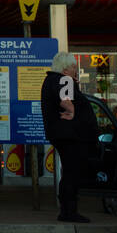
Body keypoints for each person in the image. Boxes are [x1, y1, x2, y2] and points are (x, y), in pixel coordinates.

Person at [41, 52, 97, 223]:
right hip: (70, 135)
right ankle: (69, 211)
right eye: (73, 66)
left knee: (69, 171)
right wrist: (72, 111)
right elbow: (65, 100)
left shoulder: (52, 80)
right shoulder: (63, 80)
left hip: (62, 134)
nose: (75, 69)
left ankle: (67, 210)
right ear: (65, 68)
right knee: (72, 172)